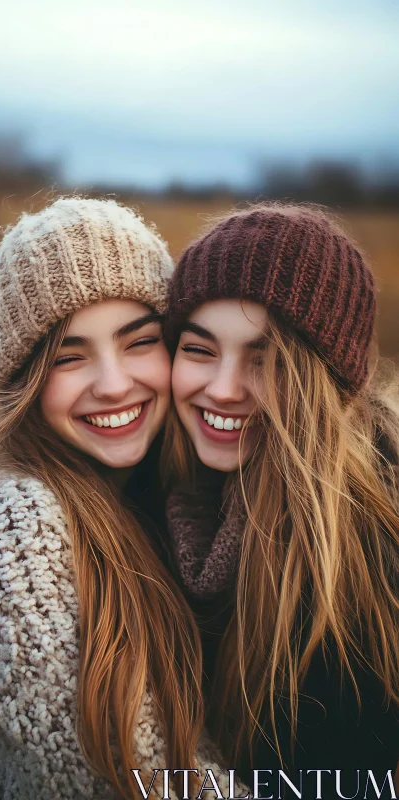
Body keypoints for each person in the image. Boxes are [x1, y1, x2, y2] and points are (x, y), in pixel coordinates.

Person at [0, 198, 245, 800]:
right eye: (69, 356)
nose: (113, 384)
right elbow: (111, 774)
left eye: (139, 342)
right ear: (23, 381)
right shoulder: (14, 518)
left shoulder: (179, 492)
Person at [164, 204, 399, 797]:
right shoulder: (162, 483)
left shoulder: (363, 563)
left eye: (265, 359)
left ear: (322, 383)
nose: (222, 388)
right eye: (198, 349)